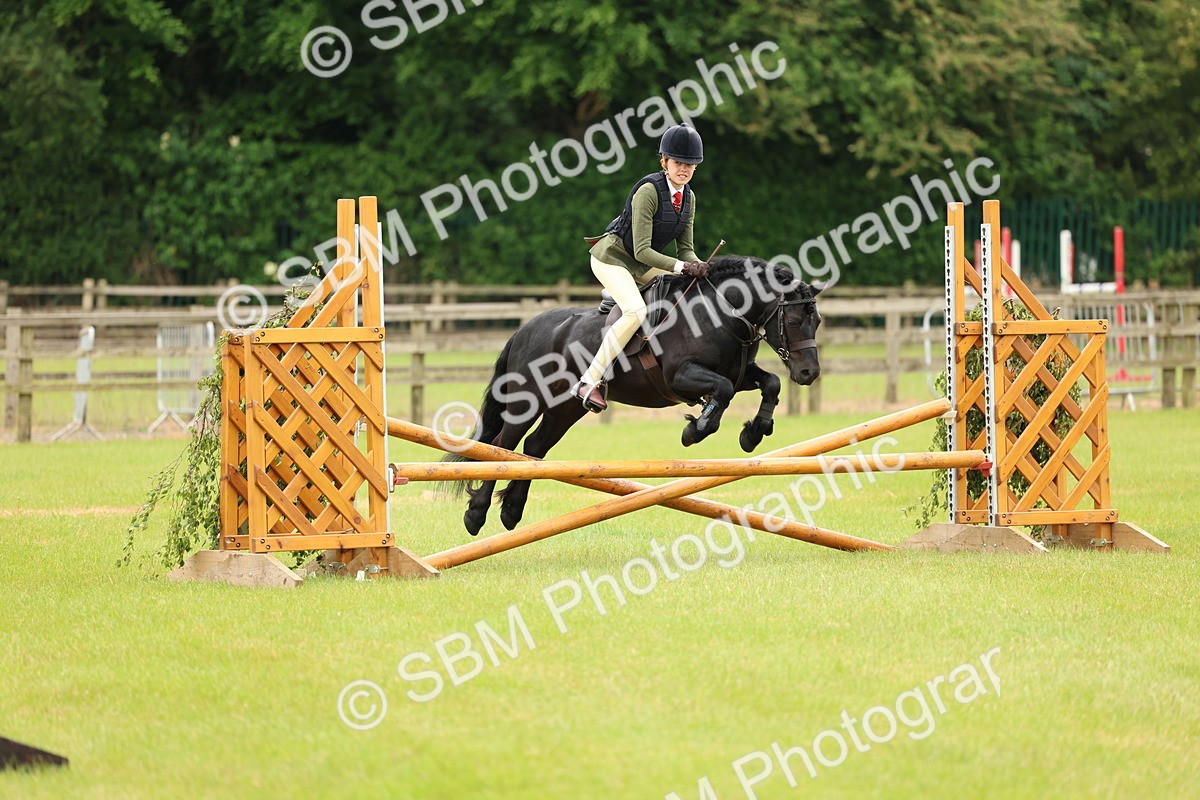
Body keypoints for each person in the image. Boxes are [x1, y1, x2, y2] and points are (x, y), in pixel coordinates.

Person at [572, 122, 711, 413]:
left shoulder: (689, 197)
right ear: (664, 162)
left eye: (690, 164)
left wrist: (697, 267)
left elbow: (685, 249)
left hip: (640, 263)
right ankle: (589, 381)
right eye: (678, 162)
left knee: (691, 290)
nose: (684, 169)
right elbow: (642, 250)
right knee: (636, 311)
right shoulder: (649, 190)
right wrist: (683, 266)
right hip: (612, 258)